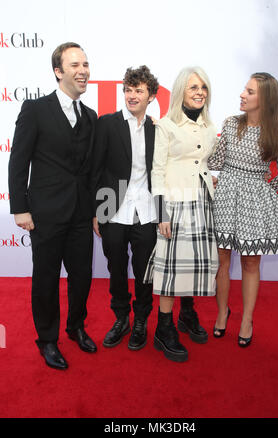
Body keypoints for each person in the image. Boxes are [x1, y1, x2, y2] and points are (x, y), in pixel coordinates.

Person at [8, 42, 98, 370]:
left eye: (86, 64)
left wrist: (97, 212)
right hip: (45, 213)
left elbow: (91, 171)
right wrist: (20, 207)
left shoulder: (90, 117)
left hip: (80, 213)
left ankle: (75, 327)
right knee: (45, 278)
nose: (83, 70)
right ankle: (47, 339)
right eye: (75, 65)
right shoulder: (35, 109)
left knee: (82, 276)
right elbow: (18, 162)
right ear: (59, 71)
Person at [208, 72, 278, 347]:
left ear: (265, 99)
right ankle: (222, 313)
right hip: (225, 195)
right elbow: (215, 160)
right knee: (222, 260)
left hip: (254, 201)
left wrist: (261, 191)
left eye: (249, 91)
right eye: (244, 90)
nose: (242, 95)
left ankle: (246, 319)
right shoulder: (231, 123)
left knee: (250, 262)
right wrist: (208, 173)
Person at [144, 66, 219, 362]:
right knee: (171, 267)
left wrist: (209, 177)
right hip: (174, 202)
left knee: (193, 263)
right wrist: (162, 213)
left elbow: (202, 161)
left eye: (203, 87)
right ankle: (164, 328)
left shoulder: (210, 127)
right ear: (180, 92)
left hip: (201, 200)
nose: (200, 92)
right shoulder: (166, 126)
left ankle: (187, 314)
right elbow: (157, 171)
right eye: (193, 87)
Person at [93, 66, 159, 351]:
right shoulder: (106, 123)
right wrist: (95, 210)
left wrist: (164, 214)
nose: (132, 96)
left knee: (145, 270)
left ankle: (142, 319)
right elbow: (95, 168)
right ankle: (121, 318)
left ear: (151, 96)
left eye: (139, 91)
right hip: (112, 207)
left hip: (147, 210)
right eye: (128, 90)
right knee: (115, 267)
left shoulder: (158, 129)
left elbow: (162, 174)